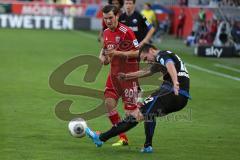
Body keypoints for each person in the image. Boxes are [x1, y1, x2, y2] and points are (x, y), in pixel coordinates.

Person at [86, 43, 191, 153]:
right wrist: (127, 76)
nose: (147, 61)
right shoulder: (163, 58)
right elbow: (145, 72)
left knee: (136, 115)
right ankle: (147, 146)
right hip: (181, 99)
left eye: (146, 58)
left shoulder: (161, 55)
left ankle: (101, 138)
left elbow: (170, 65)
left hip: (171, 92)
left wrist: (175, 83)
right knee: (150, 114)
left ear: (151, 50)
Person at [98, 4, 140, 147]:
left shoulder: (126, 31)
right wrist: (103, 58)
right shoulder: (105, 32)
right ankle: (123, 138)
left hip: (128, 77)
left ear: (117, 16)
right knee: (109, 104)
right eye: (105, 19)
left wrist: (118, 53)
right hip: (114, 76)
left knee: (131, 116)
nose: (108, 21)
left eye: (110, 18)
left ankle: (148, 141)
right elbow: (105, 49)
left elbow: (137, 52)